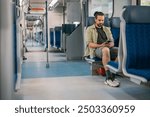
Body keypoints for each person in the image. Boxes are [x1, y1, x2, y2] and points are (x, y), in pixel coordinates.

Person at [84, 11, 119, 87]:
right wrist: (101, 45)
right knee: (105, 49)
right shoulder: (90, 29)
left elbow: (112, 40)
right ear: (95, 20)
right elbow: (89, 44)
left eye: (102, 20)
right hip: (96, 49)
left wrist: (111, 44)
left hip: (107, 47)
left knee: (120, 51)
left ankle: (112, 74)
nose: (101, 22)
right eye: (99, 20)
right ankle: (108, 77)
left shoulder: (107, 29)